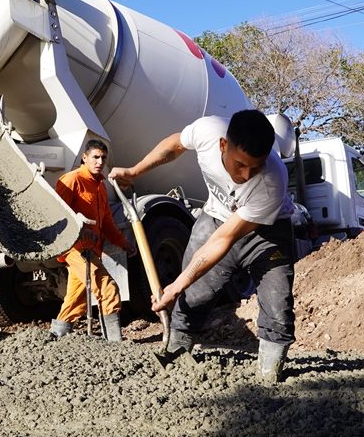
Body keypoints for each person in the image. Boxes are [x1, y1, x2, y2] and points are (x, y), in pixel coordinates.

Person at [110, 109, 296, 382]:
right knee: (194, 294)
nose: (245, 174)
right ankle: (175, 352)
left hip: (267, 233)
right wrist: (135, 171)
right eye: (239, 164)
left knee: (277, 300)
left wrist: (174, 285)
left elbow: (224, 240)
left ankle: (270, 372)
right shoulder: (208, 131)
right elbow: (174, 145)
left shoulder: (272, 181)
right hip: (216, 218)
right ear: (223, 145)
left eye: (254, 167)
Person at [51, 139, 136, 341]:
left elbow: (106, 222)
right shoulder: (71, 180)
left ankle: (55, 337)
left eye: (103, 158)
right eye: (95, 157)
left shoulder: (100, 187)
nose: (99, 162)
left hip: (92, 250)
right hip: (75, 249)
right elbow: (56, 214)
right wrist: (77, 231)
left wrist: (124, 243)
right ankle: (114, 343)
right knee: (108, 288)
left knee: (77, 299)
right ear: (85, 158)